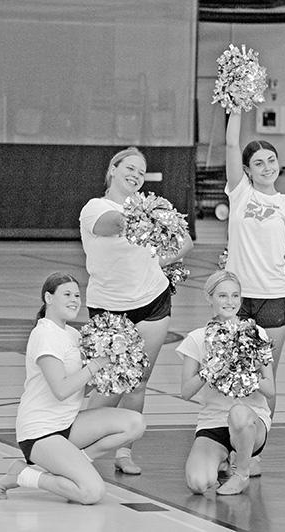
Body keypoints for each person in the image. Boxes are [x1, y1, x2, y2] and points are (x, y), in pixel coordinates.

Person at [79, 146, 193, 475]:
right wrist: (150, 214)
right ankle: (76, 449)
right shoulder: (96, 208)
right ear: (113, 169)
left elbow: (186, 242)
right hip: (110, 310)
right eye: (129, 168)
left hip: (153, 302)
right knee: (108, 384)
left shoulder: (148, 209)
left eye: (141, 172)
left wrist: (161, 261)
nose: (135, 175)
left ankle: (124, 451)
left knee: (138, 381)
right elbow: (116, 224)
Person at [0, 272, 145, 503]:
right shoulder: (45, 334)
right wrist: (96, 364)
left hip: (68, 424)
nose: (74, 300)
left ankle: (77, 461)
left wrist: (112, 372)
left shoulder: (73, 334)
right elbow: (61, 390)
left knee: (135, 423)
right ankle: (23, 474)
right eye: (67, 294)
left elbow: (79, 388)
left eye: (77, 295)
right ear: (48, 298)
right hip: (41, 432)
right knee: (92, 492)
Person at [224, 111, 285, 418]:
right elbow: (231, 144)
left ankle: (260, 440)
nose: (267, 167)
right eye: (259, 163)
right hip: (236, 299)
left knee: (265, 379)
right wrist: (237, 105)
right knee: (234, 373)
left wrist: (279, 260)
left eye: (271, 160)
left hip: (274, 299)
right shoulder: (240, 193)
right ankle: (235, 438)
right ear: (247, 170)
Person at [176, 270, 274, 496]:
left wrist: (244, 370)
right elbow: (186, 392)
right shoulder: (197, 338)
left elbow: (270, 390)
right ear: (209, 297)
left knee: (238, 412)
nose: (230, 302)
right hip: (213, 421)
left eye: (235, 296)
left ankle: (241, 473)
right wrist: (210, 369)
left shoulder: (256, 333)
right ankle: (223, 462)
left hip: (249, 422)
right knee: (198, 483)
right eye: (222, 295)